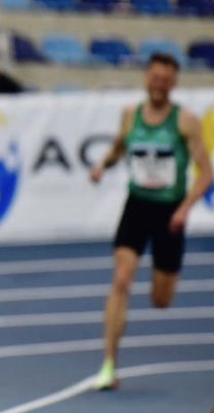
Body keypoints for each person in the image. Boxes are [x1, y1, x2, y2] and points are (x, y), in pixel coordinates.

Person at [89, 52, 212, 390]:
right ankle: (108, 365)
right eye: (155, 78)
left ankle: (161, 278)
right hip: (137, 206)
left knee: (161, 300)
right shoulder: (131, 114)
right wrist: (102, 165)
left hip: (170, 213)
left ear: (174, 83)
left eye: (166, 80)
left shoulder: (185, 121)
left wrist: (185, 209)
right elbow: (119, 146)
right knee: (121, 279)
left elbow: (206, 173)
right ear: (146, 78)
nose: (159, 85)